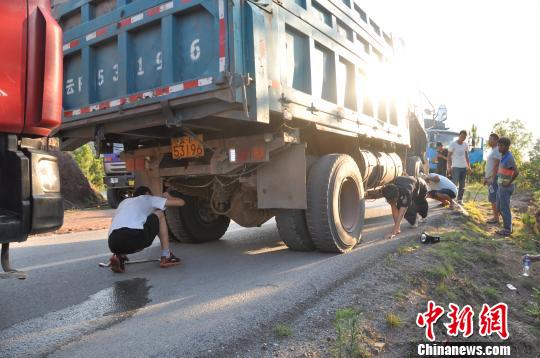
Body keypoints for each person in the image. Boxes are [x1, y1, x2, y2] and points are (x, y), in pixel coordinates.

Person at [107, 186, 186, 273]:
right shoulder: (149, 198)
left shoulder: (124, 203)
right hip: (134, 239)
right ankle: (167, 256)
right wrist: (167, 196)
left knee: (128, 229)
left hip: (112, 243)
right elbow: (181, 202)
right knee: (159, 214)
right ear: (147, 193)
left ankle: (119, 256)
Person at [495, 137, 519, 236]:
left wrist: (509, 182)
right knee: (499, 207)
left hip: (506, 187)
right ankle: (507, 226)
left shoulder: (509, 157)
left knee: (504, 208)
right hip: (501, 186)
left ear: (507, 147)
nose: (499, 148)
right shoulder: (503, 156)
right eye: (498, 145)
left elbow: (516, 172)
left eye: (501, 146)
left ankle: (507, 229)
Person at [447, 130, 471, 204]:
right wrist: (449, 167)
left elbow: (466, 156)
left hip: (464, 167)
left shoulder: (465, 145)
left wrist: (469, 166)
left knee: (462, 184)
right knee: (454, 184)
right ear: (459, 136)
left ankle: (460, 200)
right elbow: (449, 156)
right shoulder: (453, 144)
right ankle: (452, 199)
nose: (463, 137)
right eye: (462, 136)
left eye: (464, 136)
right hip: (455, 167)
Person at [485, 133, 501, 224]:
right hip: (490, 178)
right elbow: (489, 166)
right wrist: (486, 177)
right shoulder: (492, 150)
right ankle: (496, 216)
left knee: (493, 198)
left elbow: (496, 165)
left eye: (491, 139)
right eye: (489, 138)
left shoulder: (496, 150)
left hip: (493, 179)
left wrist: (492, 178)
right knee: (493, 197)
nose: (489, 140)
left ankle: (496, 218)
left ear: (496, 141)